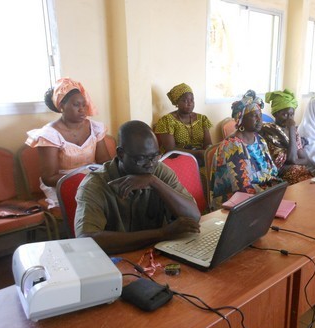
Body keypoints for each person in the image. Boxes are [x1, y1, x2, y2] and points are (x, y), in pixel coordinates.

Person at [74, 120, 201, 254]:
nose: (150, 165)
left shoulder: (158, 171)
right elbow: (85, 240)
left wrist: (154, 182)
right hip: (117, 261)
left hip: (156, 256)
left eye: (154, 156)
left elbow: (193, 217)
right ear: (121, 154)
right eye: (141, 158)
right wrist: (161, 234)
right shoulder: (95, 184)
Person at [25, 77, 111, 212]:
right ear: (61, 106)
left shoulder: (95, 128)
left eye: (84, 104)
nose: (82, 110)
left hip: (92, 178)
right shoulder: (49, 135)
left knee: (114, 201)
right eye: (76, 105)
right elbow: (49, 178)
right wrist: (82, 180)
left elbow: (105, 162)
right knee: (89, 206)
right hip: (62, 183)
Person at [209, 90, 280, 210]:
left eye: (260, 115)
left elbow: (273, 172)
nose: (259, 119)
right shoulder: (231, 146)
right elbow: (242, 188)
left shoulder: (260, 140)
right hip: (237, 204)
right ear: (241, 119)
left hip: (262, 196)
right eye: (253, 115)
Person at [259, 89, 313, 184]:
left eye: (291, 114)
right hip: (280, 174)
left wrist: (295, 161)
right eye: (285, 114)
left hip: (297, 170)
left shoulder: (294, 132)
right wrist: (291, 130)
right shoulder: (268, 131)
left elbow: (305, 159)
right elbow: (291, 158)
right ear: (275, 114)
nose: (289, 118)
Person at [154, 83, 212, 166]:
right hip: (177, 160)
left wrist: (208, 151)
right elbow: (171, 150)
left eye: (192, 100)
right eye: (185, 100)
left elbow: (208, 143)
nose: (190, 103)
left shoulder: (202, 119)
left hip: (201, 158)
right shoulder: (167, 121)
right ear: (177, 102)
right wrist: (197, 153)